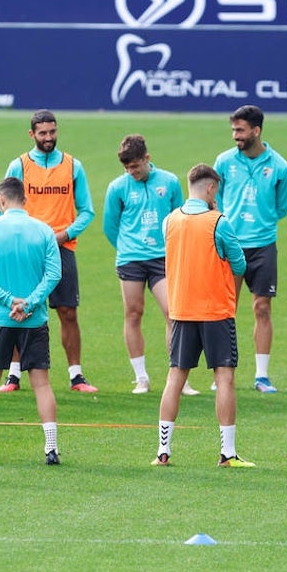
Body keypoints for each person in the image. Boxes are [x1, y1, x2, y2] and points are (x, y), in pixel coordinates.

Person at [154, 164, 254, 468]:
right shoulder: (219, 222)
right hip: (215, 311)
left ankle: (163, 451)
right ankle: (227, 453)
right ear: (211, 189)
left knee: (175, 377)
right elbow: (240, 264)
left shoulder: (169, 221)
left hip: (182, 309)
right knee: (224, 378)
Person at [0, 110, 97, 394]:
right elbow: (1, 207)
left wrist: (64, 234)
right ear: (32, 135)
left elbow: (87, 211)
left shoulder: (72, 166)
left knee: (67, 311)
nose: (48, 138)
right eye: (42, 133)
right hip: (27, 248)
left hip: (61, 247)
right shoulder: (18, 166)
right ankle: (14, 375)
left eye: (52, 132)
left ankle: (76, 376)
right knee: (19, 307)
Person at [0, 177, 62, 466]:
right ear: (26, 199)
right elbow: (53, 275)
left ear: (1, 200)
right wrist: (29, 303)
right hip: (34, 321)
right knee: (42, 385)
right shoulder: (44, 231)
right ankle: (51, 448)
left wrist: (9, 301)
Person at [101, 134, 198, 396]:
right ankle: (141, 377)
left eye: (135, 166)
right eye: (127, 168)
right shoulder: (117, 187)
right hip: (131, 258)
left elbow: (180, 217)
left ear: (147, 159)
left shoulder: (169, 181)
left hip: (162, 258)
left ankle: (179, 378)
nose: (131, 172)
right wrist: (127, 247)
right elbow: (110, 226)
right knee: (133, 313)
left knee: (172, 313)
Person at [214, 105, 287, 393]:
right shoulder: (223, 162)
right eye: (234, 130)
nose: (236, 135)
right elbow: (216, 200)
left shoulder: (280, 167)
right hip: (230, 244)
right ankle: (223, 370)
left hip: (263, 245)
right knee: (225, 309)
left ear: (256, 131)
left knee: (261, 307)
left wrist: (261, 221)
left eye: (240, 130)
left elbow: (282, 207)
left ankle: (261, 375)